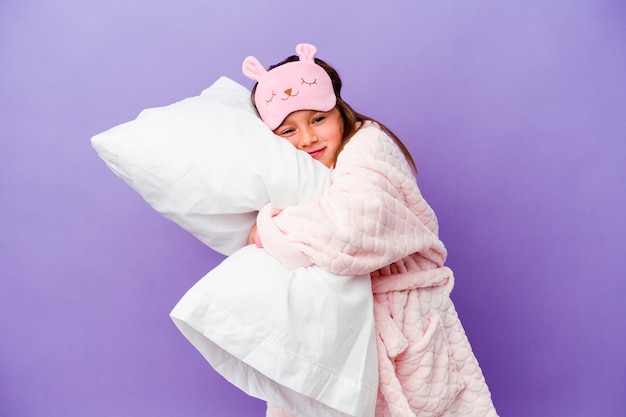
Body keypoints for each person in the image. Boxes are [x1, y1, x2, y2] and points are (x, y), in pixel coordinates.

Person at [242, 44, 498, 417]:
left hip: (404, 324)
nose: (308, 138)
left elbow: (352, 228)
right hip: (337, 328)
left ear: (340, 112)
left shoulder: (369, 146)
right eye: (288, 130)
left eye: (317, 119)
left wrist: (269, 228)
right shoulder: (293, 173)